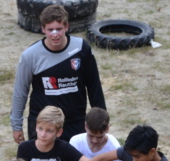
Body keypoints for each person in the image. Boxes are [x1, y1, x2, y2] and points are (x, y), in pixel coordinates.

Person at [10, 4, 106, 144]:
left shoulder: (81, 48)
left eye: (59, 29)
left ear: (66, 27)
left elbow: (94, 87)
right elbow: (20, 92)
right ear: (43, 29)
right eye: (50, 29)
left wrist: (101, 123)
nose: (55, 34)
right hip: (44, 125)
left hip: (75, 123)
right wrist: (16, 126)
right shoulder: (30, 55)